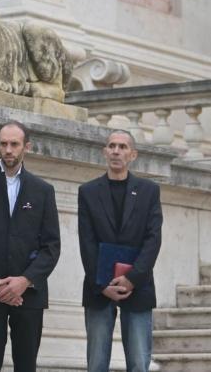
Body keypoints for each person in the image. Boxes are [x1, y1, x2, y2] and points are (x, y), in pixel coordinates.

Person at [0, 121, 61, 372]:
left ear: (26, 147)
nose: (8, 150)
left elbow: (51, 246)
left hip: (29, 294)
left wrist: (25, 280)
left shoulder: (43, 191)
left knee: (26, 366)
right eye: (3, 144)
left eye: (14, 144)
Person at [78, 130, 162, 372]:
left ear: (133, 154)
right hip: (98, 287)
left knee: (138, 361)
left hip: (138, 284)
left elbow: (153, 239)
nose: (116, 151)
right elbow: (87, 242)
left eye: (123, 147)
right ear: (105, 152)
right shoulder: (88, 191)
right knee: (96, 363)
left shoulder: (149, 191)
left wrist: (132, 278)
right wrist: (103, 284)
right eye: (112, 146)